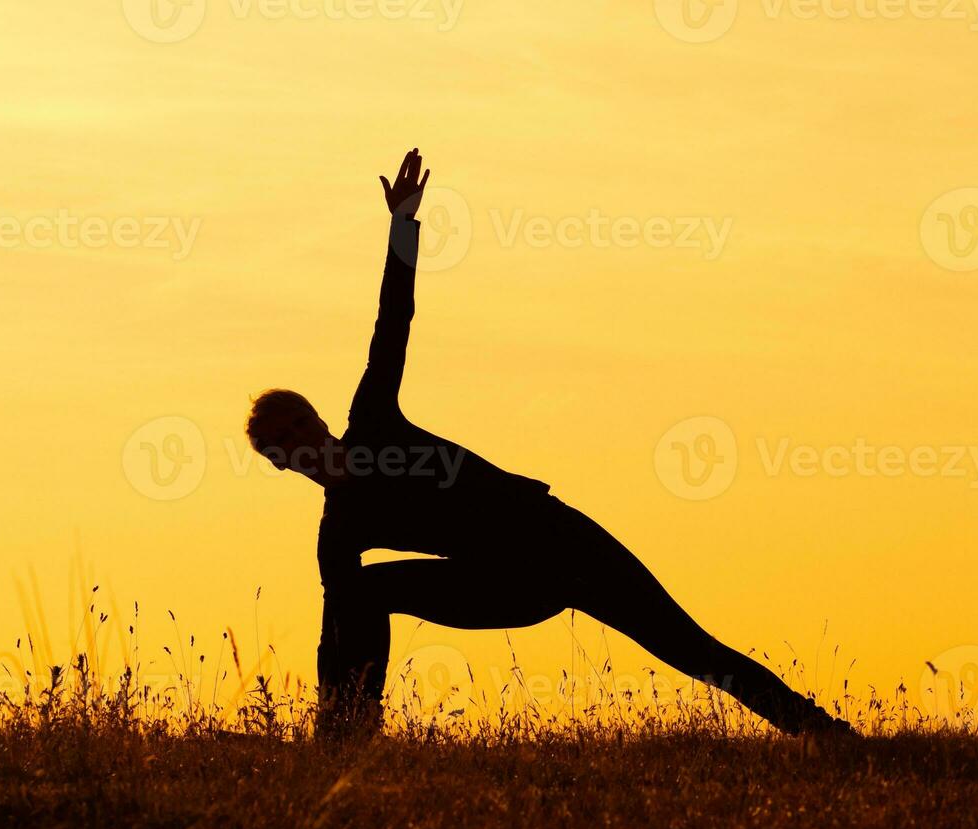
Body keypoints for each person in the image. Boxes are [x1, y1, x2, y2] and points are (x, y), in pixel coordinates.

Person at [246, 148, 855, 738]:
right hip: (503, 585)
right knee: (357, 592)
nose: (300, 442)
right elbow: (337, 633)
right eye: (283, 442)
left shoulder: (374, 421)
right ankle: (345, 738)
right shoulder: (340, 529)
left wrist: (402, 226)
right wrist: (329, 717)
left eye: (299, 424)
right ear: (277, 462)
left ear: (319, 419)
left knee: (689, 648)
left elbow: (392, 323)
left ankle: (823, 734)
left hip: (556, 538)